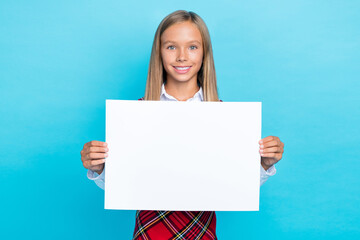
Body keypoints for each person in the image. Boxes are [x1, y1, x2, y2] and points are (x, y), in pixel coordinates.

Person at [80, 10, 284, 240]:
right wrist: (98, 168)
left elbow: (235, 185)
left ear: (204, 53)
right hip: (149, 233)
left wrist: (264, 164)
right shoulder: (135, 115)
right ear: (159, 53)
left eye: (192, 47)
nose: (182, 56)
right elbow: (124, 186)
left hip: (201, 233)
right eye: (171, 47)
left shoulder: (224, 117)